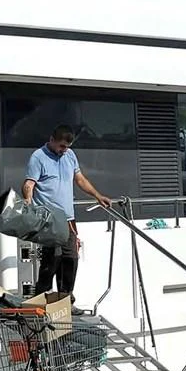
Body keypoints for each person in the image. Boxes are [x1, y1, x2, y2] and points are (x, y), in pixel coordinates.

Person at [22, 124, 112, 306]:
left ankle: (65, 301)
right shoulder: (38, 157)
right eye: (62, 146)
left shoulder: (69, 156)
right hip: (48, 219)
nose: (64, 150)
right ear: (52, 140)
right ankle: (40, 299)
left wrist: (97, 196)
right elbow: (29, 184)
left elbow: (80, 179)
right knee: (52, 258)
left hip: (68, 219)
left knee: (71, 258)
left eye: (68, 147)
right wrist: (28, 201)